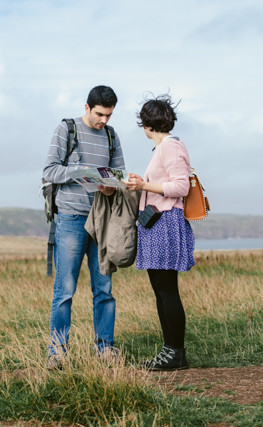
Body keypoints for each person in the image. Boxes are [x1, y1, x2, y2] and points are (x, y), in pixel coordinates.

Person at [42, 85, 125, 370]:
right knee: (64, 290)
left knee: (105, 290)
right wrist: (80, 171)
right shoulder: (66, 129)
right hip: (71, 219)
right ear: (87, 107)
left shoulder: (112, 136)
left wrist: (111, 187)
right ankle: (57, 352)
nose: (104, 121)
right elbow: (49, 171)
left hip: (102, 221)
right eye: (100, 114)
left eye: (109, 115)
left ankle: (105, 349)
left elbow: (119, 175)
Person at [123, 94, 195, 371]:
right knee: (161, 290)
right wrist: (143, 183)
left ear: (146, 124)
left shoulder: (170, 147)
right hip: (156, 223)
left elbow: (180, 187)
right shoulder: (164, 148)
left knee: (167, 291)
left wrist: (143, 187)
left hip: (165, 223)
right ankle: (170, 352)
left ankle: (175, 353)